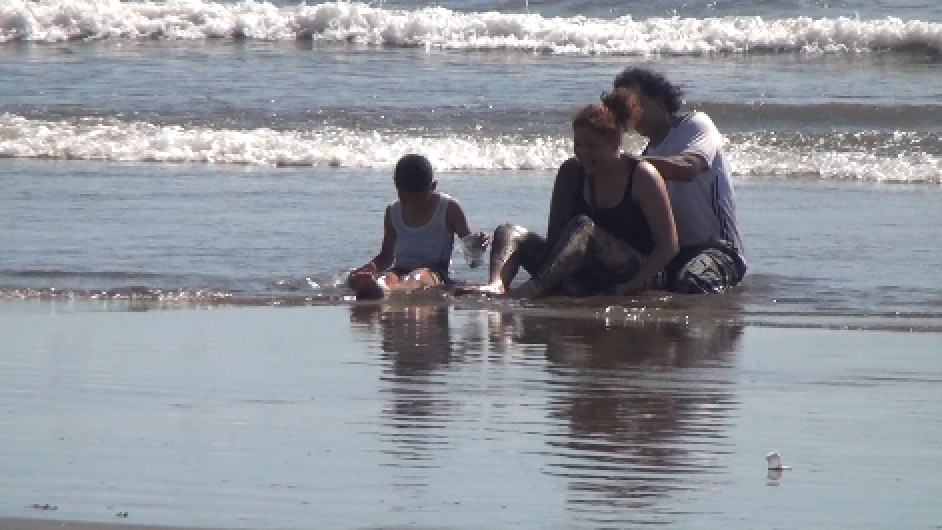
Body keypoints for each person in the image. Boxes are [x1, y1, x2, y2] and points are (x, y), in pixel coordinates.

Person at [458, 91, 678, 298]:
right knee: (508, 232)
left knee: (583, 226)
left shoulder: (642, 176)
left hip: (635, 274)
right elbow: (556, 238)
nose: (583, 153)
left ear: (615, 142)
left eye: (592, 146)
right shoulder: (572, 171)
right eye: (578, 145)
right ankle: (497, 284)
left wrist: (632, 285)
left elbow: (668, 245)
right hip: (581, 271)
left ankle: (533, 289)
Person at [555, 67, 745, 294]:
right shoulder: (644, 157)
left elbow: (688, 168)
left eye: (635, 101)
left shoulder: (694, 125)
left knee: (691, 283)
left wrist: (625, 163)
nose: (630, 111)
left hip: (717, 248)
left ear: (659, 98)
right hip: (674, 254)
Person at [347, 154, 488, 299]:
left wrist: (477, 247)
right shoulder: (392, 211)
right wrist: (370, 269)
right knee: (388, 277)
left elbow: (473, 261)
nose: (412, 204)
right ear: (396, 185)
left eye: (419, 199)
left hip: (435, 272)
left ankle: (385, 293)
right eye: (405, 198)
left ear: (432, 186)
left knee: (417, 276)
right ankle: (379, 287)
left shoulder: (448, 208)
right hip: (400, 269)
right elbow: (386, 256)